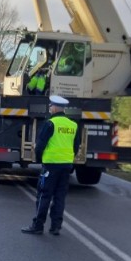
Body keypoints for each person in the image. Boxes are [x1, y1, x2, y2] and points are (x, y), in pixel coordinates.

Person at [21, 95, 82, 236]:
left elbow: (40, 145)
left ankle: (38, 225)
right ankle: (56, 227)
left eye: (50, 106)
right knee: (60, 197)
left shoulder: (50, 123)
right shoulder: (73, 125)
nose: (49, 108)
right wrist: (68, 159)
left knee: (44, 195)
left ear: (54, 108)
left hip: (50, 166)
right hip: (66, 166)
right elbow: (76, 146)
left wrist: (38, 159)